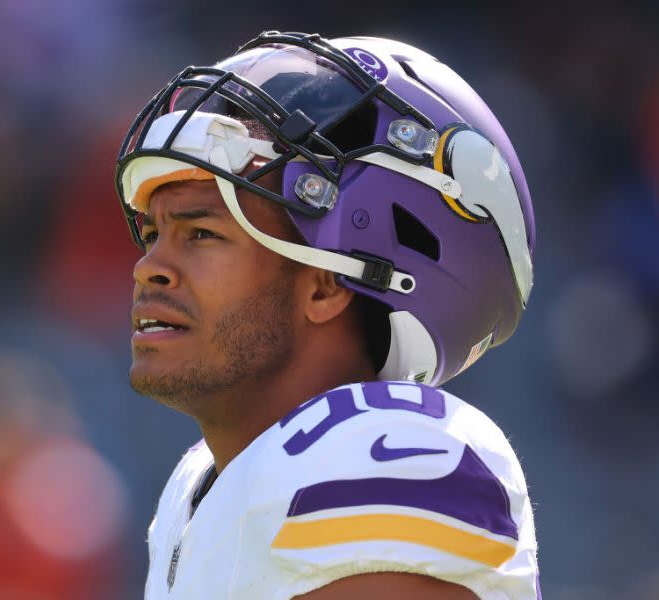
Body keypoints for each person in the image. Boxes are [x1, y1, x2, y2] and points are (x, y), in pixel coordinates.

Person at [115, 31, 539, 599]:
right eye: (152, 234)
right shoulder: (200, 486)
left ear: (326, 284)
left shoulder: (383, 455)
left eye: (201, 233)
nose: (149, 268)